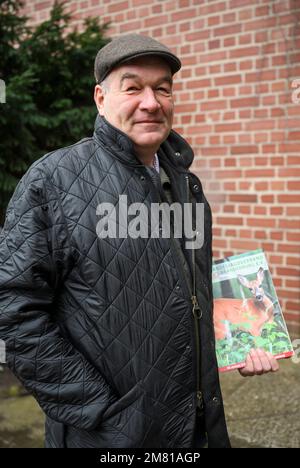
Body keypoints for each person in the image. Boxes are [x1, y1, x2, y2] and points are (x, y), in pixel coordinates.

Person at [0, 34, 279, 449]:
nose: (151, 102)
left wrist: (240, 341)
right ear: (100, 98)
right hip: (108, 435)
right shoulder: (54, 181)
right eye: (133, 88)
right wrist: (96, 409)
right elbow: (13, 309)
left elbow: (184, 293)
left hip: (197, 426)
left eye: (162, 88)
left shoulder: (186, 185)